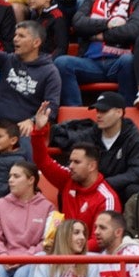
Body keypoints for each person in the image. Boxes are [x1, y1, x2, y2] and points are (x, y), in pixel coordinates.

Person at [55, 0, 139, 107]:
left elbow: (133, 31)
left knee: (128, 61)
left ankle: (127, 112)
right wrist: (108, 23)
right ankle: (74, 114)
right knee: (62, 63)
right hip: (90, 62)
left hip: (119, 62)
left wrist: (99, 36)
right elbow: (78, 23)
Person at [0, 21, 60, 168]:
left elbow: (52, 107)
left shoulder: (50, 71)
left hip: (26, 126)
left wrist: (32, 121)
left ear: (36, 42)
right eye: (15, 35)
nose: (15, 39)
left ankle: (30, 179)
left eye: (21, 36)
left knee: (27, 138)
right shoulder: (8, 60)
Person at [33, 102, 119, 245]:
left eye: (77, 162)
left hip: (91, 255)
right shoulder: (68, 178)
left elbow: (102, 240)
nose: (71, 166)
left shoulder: (106, 198)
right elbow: (42, 161)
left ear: (92, 166)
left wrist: (72, 250)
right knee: (36, 258)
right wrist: (38, 131)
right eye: (70, 161)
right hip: (65, 250)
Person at [0, 159, 51, 277]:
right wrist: (3, 256)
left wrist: (27, 257)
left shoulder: (48, 207)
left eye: (16, 176)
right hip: (3, 259)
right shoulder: (0, 205)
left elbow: (48, 241)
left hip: (31, 259)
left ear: (31, 180)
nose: (10, 180)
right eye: (10, 176)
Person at [92, 210, 139, 277]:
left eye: (102, 228)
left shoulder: (137, 256)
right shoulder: (100, 258)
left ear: (118, 232)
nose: (96, 232)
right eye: (95, 227)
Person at [27, 218, 94, 277]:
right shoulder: (45, 264)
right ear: (64, 236)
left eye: (84, 234)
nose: (83, 237)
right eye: (76, 233)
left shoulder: (91, 264)